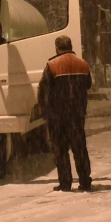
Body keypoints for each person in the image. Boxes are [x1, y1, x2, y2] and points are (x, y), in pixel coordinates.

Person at [39, 34, 93, 192]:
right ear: (71, 46)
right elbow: (88, 85)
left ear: (57, 47)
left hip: (58, 116)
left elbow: (44, 91)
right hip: (77, 115)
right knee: (80, 148)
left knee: (60, 149)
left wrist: (45, 110)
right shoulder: (83, 64)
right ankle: (85, 180)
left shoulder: (52, 65)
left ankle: (65, 182)